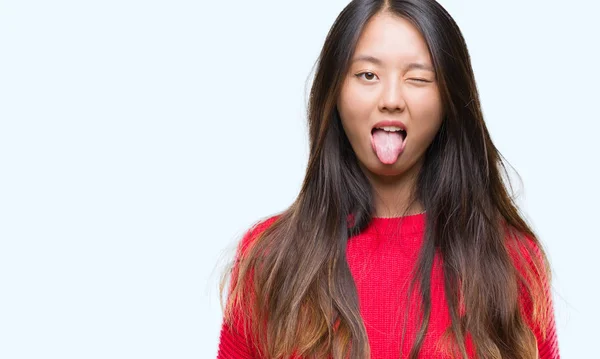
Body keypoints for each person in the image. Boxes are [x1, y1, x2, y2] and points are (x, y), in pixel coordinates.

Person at [216, 0, 560, 358]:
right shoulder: (271, 259)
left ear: (449, 99)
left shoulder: (512, 261)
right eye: (368, 75)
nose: (391, 99)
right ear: (334, 91)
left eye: (418, 77)